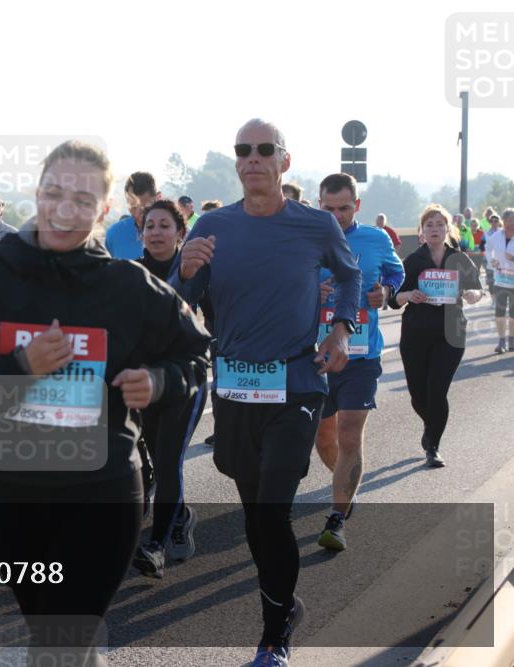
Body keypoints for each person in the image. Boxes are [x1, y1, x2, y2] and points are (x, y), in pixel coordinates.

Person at [0, 140, 210, 665]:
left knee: (60, 643)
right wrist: (19, 368)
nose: (65, 207)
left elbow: (194, 358)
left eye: (83, 197)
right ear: (36, 194)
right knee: (56, 640)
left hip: (103, 492)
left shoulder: (128, 286)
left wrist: (159, 382)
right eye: (54, 192)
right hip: (12, 496)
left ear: (105, 209)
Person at [179, 119, 361, 667]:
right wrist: (182, 274)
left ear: (284, 162)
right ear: (236, 163)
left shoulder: (314, 226)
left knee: (274, 509)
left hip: (297, 384)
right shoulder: (211, 226)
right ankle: (285, 606)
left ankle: (273, 636)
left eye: (264, 150)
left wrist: (340, 329)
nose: (252, 158)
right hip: (234, 388)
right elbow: (178, 302)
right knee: (256, 515)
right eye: (243, 150)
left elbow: (349, 278)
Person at [313, 173, 404, 552]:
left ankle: (337, 517)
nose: (336, 216)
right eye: (328, 209)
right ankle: (344, 485)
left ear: (357, 206)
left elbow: (396, 273)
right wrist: (309, 289)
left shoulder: (375, 239)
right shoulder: (306, 237)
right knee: (324, 437)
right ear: (319, 206)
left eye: (344, 208)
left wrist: (387, 291)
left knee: (350, 434)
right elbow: (281, 283)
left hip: (362, 353)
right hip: (316, 354)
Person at [131, 200, 208, 578]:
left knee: (168, 462)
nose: (156, 233)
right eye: (150, 226)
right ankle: (179, 515)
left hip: (185, 381)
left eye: (165, 226)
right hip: (142, 383)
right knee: (143, 463)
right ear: (140, 233)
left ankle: (157, 545)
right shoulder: (129, 274)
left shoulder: (198, 270)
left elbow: (220, 315)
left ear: (181, 233)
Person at [388, 205, 482, 467]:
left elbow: (476, 289)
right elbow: (394, 300)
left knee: (437, 391)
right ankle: (432, 427)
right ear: (422, 230)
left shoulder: (460, 259)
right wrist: (409, 295)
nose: (434, 229)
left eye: (439, 224)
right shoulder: (413, 261)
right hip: (416, 334)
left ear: (447, 228)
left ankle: (433, 446)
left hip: (451, 334)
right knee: (419, 395)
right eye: (429, 225)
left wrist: (472, 295)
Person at [104, 171, 158, 259]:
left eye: (145, 209)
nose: (138, 215)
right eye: (133, 207)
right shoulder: (114, 234)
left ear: (158, 198)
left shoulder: (171, 233)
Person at [485, 208, 514, 353]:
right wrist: (492, 261)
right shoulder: (497, 235)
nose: (510, 224)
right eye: (507, 220)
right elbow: (487, 248)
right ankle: (501, 341)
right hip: (501, 280)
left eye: (512, 221)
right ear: (503, 221)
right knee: (500, 312)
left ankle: (512, 340)